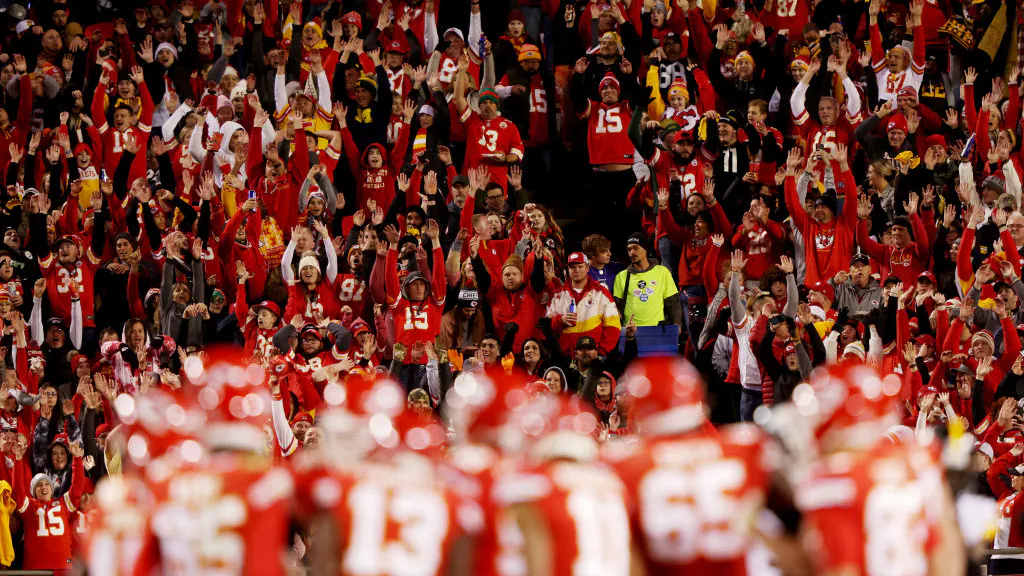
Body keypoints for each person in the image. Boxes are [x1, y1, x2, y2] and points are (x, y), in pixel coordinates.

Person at [546, 252, 621, 356]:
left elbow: (613, 326)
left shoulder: (601, 293)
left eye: (580, 266)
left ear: (587, 268)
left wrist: (601, 351)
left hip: (593, 356)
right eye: (572, 267)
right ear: (568, 269)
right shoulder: (557, 296)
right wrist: (560, 320)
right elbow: (548, 327)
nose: (576, 270)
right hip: (566, 357)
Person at [613, 232, 682, 329]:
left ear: (645, 249)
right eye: (629, 249)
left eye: (635, 248)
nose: (632, 252)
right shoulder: (622, 276)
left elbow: (673, 302)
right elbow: (616, 306)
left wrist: (677, 324)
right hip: (632, 331)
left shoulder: (662, 272)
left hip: (658, 330)